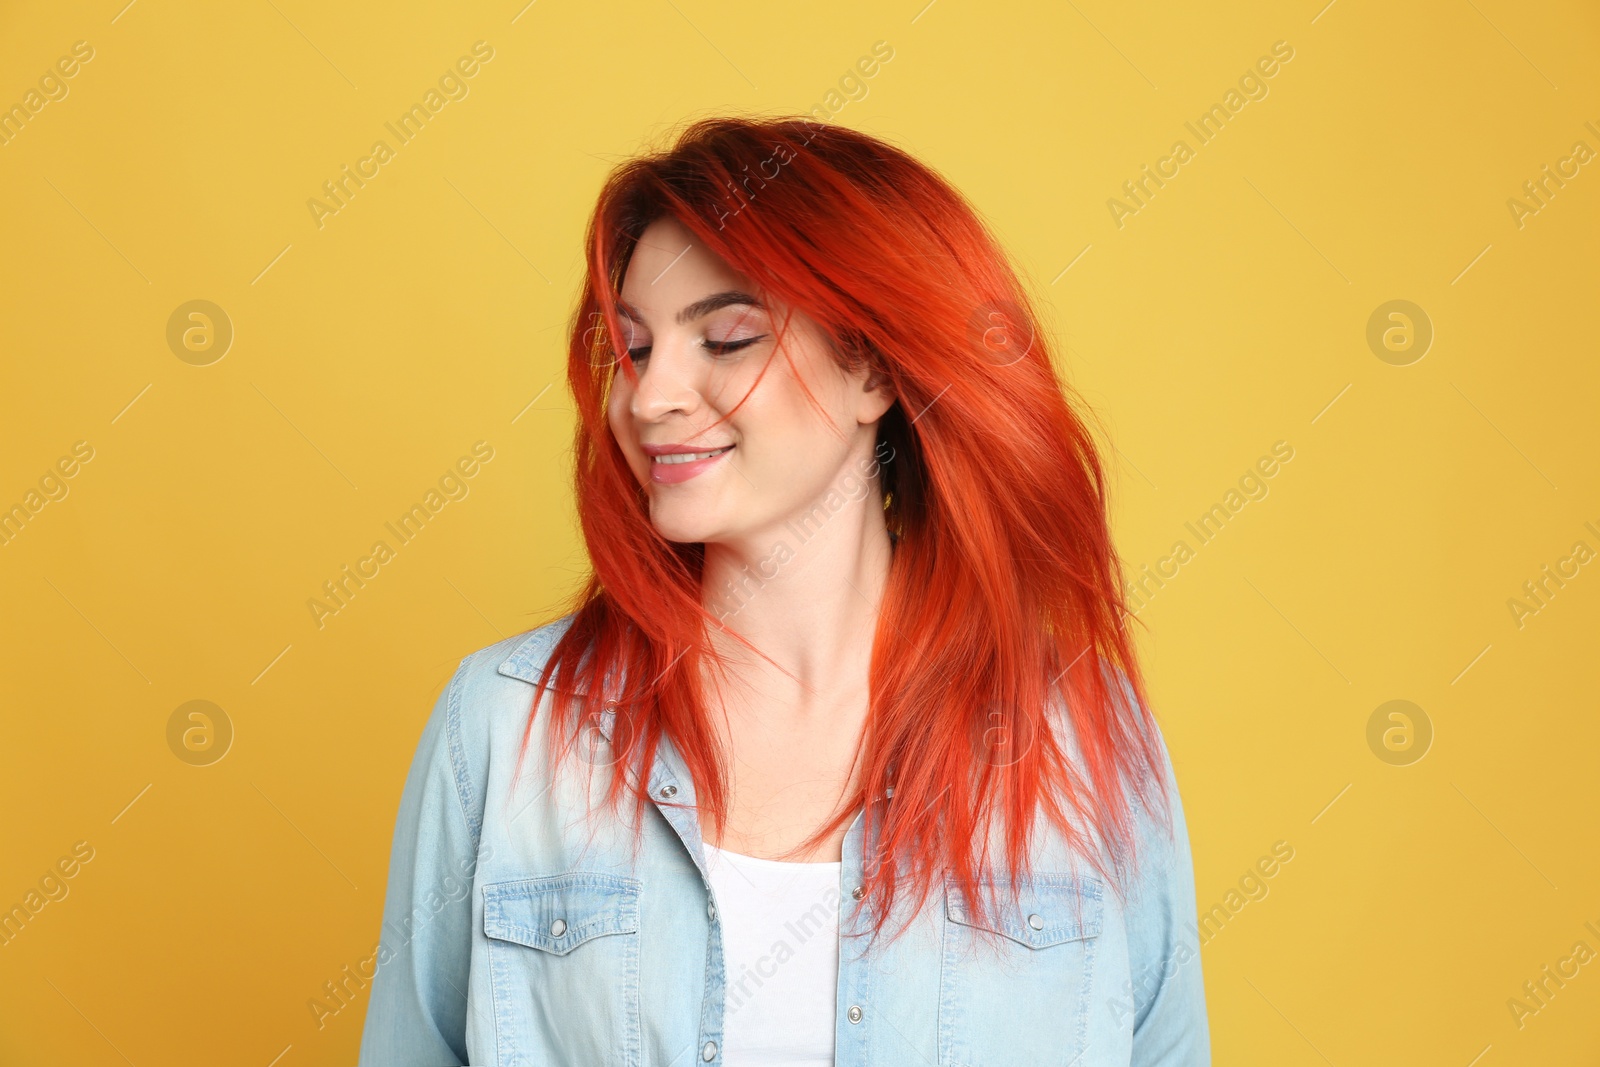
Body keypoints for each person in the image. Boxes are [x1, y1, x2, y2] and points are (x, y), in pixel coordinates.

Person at [358, 115, 1209, 1066]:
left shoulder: (1080, 740)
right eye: (633, 348)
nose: (649, 397)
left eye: (725, 339)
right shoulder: (503, 730)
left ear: (873, 370)